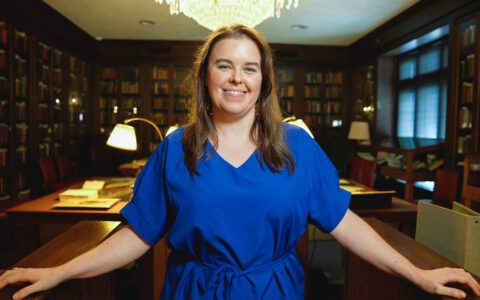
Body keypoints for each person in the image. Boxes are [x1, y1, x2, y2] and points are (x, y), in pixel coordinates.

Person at [1, 24, 479, 300]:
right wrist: (59, 271)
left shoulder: (297, 146)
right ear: (205, 77)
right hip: (193, 292)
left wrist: (416, 273)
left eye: (250, 68)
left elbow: (345, 224)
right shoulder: (175, 147)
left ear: (264, 81)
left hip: (275, 291)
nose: (237, 78)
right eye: (223, 65)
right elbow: (136, 235)